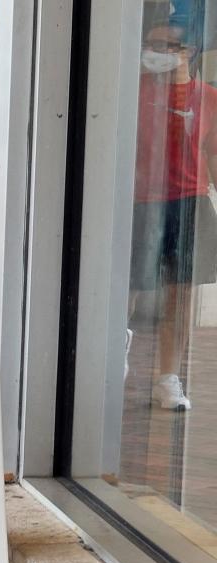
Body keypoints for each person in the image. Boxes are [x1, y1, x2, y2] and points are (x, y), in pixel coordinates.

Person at [129, 22, 217, 410]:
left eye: (169, 46)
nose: (159, 52)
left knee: (180, 297)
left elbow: (213, 152)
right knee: (128, 288)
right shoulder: (133, 93)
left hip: (189, 200)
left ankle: (168, 378)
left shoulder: (208, 97)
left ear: (188, 52)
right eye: (153, 45)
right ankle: (115, 361)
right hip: (140, 202)